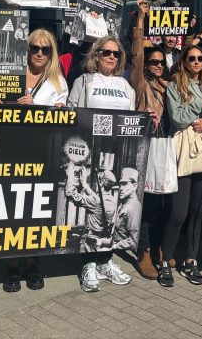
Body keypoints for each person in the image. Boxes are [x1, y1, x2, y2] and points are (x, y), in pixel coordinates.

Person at [0, 28, 68, 293]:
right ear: (25, 50)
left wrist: (41, 110)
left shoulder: (58, 82)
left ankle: (32, 262)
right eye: (34, 48)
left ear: (52, 53)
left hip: (40, 154)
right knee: (10, 211)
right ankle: (11, 264)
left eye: (45, 49)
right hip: (8, 151)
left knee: (37, 212)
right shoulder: (8, 74)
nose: (39, 53)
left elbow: (62, 120)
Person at [67, 35, 135, 292]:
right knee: (90, 212)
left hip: (115, 157)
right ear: (96, 55)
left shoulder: (126, 86)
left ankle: (106, 260)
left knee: (111, 211)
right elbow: (70, 113)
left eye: (116, 54)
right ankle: (88, 265)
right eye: (106, 52)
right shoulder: (83, 81)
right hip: (88, 156)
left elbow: (132, 121)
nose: (111, 57)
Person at [159, 44, 202, 287]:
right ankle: (164, 260)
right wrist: (199, 105)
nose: (196, 62)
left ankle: (190, 260)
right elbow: (178, 118)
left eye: (200, 58)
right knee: (178, 212)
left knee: (197, 211)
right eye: (191, 58)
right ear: (183, 61)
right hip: (182, 152)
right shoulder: (175, 86)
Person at [130, 0, 170, 279]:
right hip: (146, 146)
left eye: (161, 62)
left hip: (168, 146)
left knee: (164, 201)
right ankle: (142, 251)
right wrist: (141, 22)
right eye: (152, 62)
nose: (156, 65)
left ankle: (158, 247)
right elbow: (137, 57)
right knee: (147, 201)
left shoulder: (170, 85)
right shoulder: (140, 82)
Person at [113, 168, 143, 250]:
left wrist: (115, 247)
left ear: (134, 186)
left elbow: (133, 241)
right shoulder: (124, 204)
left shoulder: (134, 207)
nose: (121, 188)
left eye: (125, 184)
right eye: (120, 184)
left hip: (124, 253)